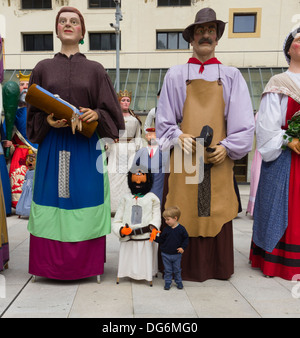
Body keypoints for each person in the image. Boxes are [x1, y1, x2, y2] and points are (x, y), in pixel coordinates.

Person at [156, 8, 254, 282]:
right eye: (200, 31)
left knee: (214, 208)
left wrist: (229, 146)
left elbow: (244, 121)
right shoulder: (175, 74)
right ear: (192, 37)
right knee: (182, 207)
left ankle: (215, 266)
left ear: (217, 37)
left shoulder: (231, 75)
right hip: (184, 158)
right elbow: (165, 119)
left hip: (216, 157)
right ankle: (180, 265)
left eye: (211, 30)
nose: (205, 35)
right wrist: (177, 136)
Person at [26, 6, 124, 281]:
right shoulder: (42, 68)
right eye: (62, 21)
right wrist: (47, 120)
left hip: (85, 149)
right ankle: (48, 266)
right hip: (52, 148)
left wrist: (97, 114)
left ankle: (87, 266)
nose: (68, 25)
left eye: (74, 22)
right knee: (50, 201)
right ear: (56, 29)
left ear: (82, 31)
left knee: (86, 200)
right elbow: (32, 116)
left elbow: (112, 114)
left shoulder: (95, 70)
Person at [250, 26, 300, 280]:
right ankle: (277, 260)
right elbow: (267, 125)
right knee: (282, 206)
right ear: (289, 47)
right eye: (298, 39)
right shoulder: (278, 83)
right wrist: (289, 140)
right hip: (285, 158)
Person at [112, 166, 161, 286]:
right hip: (129, 237)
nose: (138, 183)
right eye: (135, 181)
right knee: (128, 257)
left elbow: (156, 216)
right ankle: (125, 273)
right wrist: (122, 230)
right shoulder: (125, 198)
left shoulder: (153, 198)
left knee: (145, 258)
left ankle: (148, 274)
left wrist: (154, 227)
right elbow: (117, 220)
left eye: (141, 181)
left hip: (145, 236)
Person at [107, 89, 142, 214]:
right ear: (119, 102)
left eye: (128, 100)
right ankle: (113, 206)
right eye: (123, 100)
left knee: (128, 176)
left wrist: (137, 148)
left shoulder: (135, 119)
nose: (126, 103)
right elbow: (108, 133)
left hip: (130, 149)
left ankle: (128, 204)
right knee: (114, 175)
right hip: (116, 148)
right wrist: (108, 145)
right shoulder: (114, 118)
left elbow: (138, 136)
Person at [9, 72, 38, 209]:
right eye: (22, 85)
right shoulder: (13, 112)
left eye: (28, 85)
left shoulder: (39, 111)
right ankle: (20, 205)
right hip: (21, 153)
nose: (25, 88)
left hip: (37, 152)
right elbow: (7, 132)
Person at [153, 206, 188, 290]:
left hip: (176, 254)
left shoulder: (181, 229)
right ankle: (168, 282)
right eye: (165, 219)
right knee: (167, 270)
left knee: (177, 269)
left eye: (168, 219)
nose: (166, 221)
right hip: (165, 254)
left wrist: (182, 247)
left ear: (175, 218)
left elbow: (186, 239)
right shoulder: (166, 229)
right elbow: (161, 240)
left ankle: (178, 281)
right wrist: (154, 237)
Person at [132, 127, 168, 204]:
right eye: (149, 135)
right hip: (144, 179)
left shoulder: (162, 151)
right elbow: (135, 165)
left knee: (157, 199)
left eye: (154, 135)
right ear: (146, 136)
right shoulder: (141, 151)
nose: (152, 137)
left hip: (158, 180)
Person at [16, 150, 36, 218]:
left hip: (32, 187)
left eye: (31, 160)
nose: (28, 162)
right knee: (24, 198)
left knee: (30, 198)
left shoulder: (36, 171)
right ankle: (21, 211)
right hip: (27, 186)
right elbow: (25, 178)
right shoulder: (28, 171)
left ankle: (30, 211)